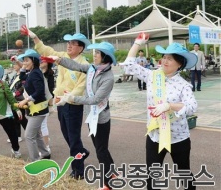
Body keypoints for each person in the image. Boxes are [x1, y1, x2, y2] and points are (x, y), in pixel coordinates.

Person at [122, 33, 198, 190]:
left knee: (184, 175)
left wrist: (170, 105)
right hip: (155, 135)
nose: (164, 61)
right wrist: (138, 43)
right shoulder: (152, 76)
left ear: (179, 64)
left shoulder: (183, 85)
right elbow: (128, 66)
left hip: (177, 137)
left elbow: (192, 106)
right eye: (164, 57)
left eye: (170, 58)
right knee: (152, 176)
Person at [20, 25, 90, 179]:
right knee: (68, 136)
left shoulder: (84, 65)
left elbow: (81, 87)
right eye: (68, 43)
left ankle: (78, 171)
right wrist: (34, 36)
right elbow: (46, 51)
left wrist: (68, 97)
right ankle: (82, 152)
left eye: (73, 43)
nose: (69, 46)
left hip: (73, 105)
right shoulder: (63, 56)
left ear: (81, 48)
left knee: (73, 138)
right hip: (61, 105)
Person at [49, 41, 117, 189]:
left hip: (101, 118)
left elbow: (95, 99)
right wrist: (59, 60)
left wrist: (72, 98)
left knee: (101, 149)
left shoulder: (108, 78)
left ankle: (108, 183)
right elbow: (76, 66)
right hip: (91, 116)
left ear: (105, 57)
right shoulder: (93, 69)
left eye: (98, 53)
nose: (95, 55)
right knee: (101, 148)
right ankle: (112, 172)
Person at [16, 50, 51, 161]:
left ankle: (35, 160)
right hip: (35, 109)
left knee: (29, 136)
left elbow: (39, 91)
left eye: (27, 60)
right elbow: (21, 77)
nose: (24, 62)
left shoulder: (35, 72)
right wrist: (23, 66)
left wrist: (26, 100)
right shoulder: (31, 72)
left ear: (34, 61)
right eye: (23, 60)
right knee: (35, 134)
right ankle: (45, 153)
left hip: (38, 109)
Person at [7, 56, 27, 143]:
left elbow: (23, 86)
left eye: (15, 64)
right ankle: (18, 136)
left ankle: (32, 134)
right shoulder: (15, 75)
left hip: (20, 99)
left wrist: (15, 93)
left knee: (21, 118)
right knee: (15, 119)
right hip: (13, 99)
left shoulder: (24, 75)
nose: (14, 66)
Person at [39, 57, 55, 152]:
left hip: (44, 101)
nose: (41, 62)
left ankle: (46, 147)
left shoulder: (49, 75)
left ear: (48, 63)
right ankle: (45, 140)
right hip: (39, 101)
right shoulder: (39, 73)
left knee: (43, 125)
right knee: (40, 125)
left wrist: (50, 105)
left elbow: (50, 90)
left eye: (43, 61)